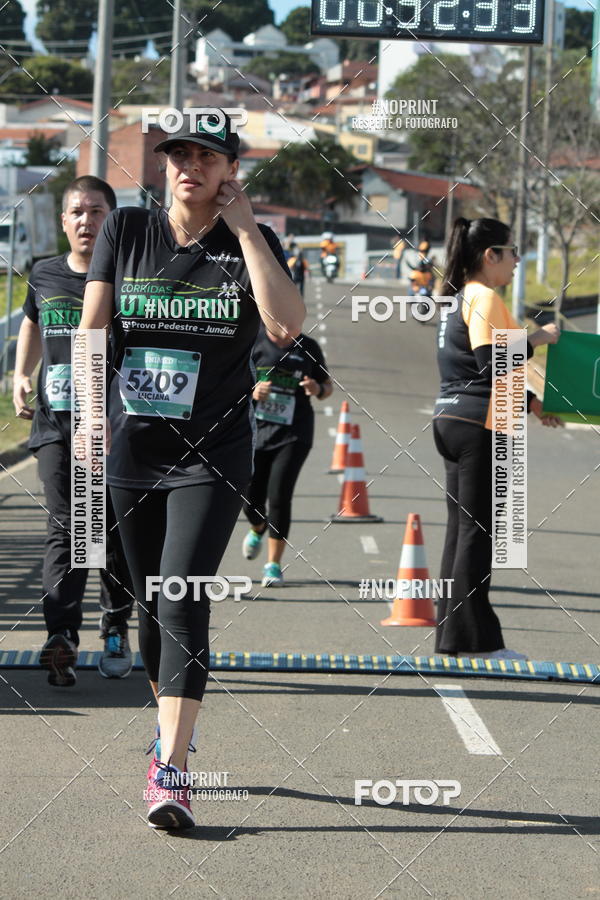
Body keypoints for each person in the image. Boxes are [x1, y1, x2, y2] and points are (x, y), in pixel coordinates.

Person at [78, 112, 305, 829]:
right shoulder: (129, 231)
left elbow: (286, 325)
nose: (189, 166)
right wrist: (89, 419)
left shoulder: (253, 242)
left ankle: (171, 768)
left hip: (215, 450)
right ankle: (168, 728)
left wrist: (244, 231)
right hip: (135, 449)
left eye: (207, 157)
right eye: (177, 153)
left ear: (229, 170)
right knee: (149, 605)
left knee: (181, 598)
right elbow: (91, 329)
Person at [12, 175, 134, 686]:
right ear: (64, 221)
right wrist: (20, 372)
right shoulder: (44, 274)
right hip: (58, 424)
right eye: (78, 212)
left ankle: (115, 626)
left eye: (97, 211)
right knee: (67, 525)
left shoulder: (129, 277)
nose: (87, 221)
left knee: (110, 528)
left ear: (113, 220)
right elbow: (33, 322)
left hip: (116, 425)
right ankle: (60, 634)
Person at [433, 217, 562, 661]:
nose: (517, 260)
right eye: (511, 251)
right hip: (478, 424)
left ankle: (452, 637)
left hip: (453, 419)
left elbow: (478, 366)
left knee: (461, 532)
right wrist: (539, 337)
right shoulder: (484, 296)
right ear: (490, 256)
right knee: (478, 533)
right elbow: (493, 361)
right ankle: (476, 643)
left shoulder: (458, 297)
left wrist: (531, 402)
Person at [242, 324, 333, 586]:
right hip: (254, 432)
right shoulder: (252, 341)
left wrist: (317, 389)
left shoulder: (308, 347)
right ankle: (258, 527)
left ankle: (273, 565)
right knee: (249, 499)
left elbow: (327, 387)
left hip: (294, 434)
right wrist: (252, 391)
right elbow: (230, 382)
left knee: (280, 495)